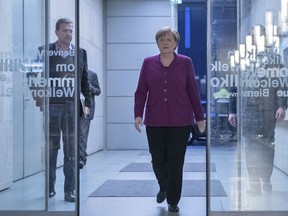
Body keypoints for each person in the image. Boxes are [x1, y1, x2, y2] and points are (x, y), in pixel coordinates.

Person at [134, 26, 205, 213]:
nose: (165, 43)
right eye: (161, 39)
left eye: (169, 40)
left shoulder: (185, 62)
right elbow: (141, 91)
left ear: (175, 43)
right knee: (157, 159)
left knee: (176, 161)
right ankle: (164, 186)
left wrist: (200, 117)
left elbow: (193, 91)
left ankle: (173, 200)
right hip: (154, 119)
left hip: (180, 120)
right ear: (157, 43)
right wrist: (138, 114)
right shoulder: (148, 63)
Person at [37, 18, 92, 202]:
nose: (69, 33)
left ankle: (69, 190)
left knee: (71, 152)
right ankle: (49, 187)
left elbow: (85, 82)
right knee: (51, 150)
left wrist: (88, 104)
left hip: (71, 108)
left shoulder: (80, 53)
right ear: (56, 32)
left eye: (71, 30)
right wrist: (38, 95)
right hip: (52, 107)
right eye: (65, 30)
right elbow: (31, 74)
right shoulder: (44, 51)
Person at [228, 26, 287, 196]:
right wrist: (232, 110)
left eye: (259, 35)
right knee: (251, 147)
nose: (255, 38)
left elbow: (281, 83)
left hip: (267, 110)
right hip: (248, 110)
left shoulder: (274, 58)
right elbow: (235, 86)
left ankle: (266, 178)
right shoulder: (243, 59)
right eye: (252, 35)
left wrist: (282, 105)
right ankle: (254, 183)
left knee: (268, 146)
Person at [79, 70, 101, 169]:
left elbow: (98, 91)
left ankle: (81, 158)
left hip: (86, 109)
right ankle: (77, 156)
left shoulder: (92, 74)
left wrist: (89, 87)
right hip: (72, 108)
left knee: (82, 135)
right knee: (73, 136)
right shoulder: (71, 73)